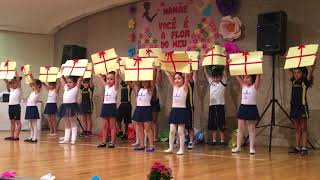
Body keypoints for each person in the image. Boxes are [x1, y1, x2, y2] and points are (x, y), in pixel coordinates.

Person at [288, 66, 314, 156]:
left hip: (302, 107)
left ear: (302, 73)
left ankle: (304, 148)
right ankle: (297, 147)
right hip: (294, 107)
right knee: (297, 128)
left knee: (304, 128)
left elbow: (310, 71)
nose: (296, 74)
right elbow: (289, 68)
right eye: (295, 73)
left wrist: (311, 65)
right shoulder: (293, 81)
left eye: (298, 72)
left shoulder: (305, 82)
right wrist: (289, 58)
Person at [232, 74, 261, 154]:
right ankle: (238, 147)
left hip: (251, 108)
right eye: (244, 77)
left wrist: (258, 68)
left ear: (252, 78)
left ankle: (251, 148)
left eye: (248, 77)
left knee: (251, 129)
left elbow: (259, 75)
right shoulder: (243, 85)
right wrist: (231, 64)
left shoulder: (255, 86)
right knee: (240, 128)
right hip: (243, 108)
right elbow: (236, 75)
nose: (246, 79)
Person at [164, 71, 191, 155]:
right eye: (175, 78)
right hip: (174, 110)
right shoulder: (174, 87)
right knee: (172, 131)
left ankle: (181, 149)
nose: (177, 80)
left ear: (183, 80)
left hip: (182, 111)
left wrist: (187, 71)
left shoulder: (185, 87)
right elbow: (168, 76)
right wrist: (164, 68)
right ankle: (171, 147)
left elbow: (187, 77)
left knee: (180, 131)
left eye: (179, 78)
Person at [204, 66, 228, 146]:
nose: (215, 79)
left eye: (217, 77)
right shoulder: (211, 82)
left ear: (220, 77)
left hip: (220, 106)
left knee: (221, 123)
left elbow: (225, 73)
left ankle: (222, 141)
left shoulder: (223, 82)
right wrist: (205, 64)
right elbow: (206, 73)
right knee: (213, 123)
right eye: (214, 77)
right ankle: (214, 140)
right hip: (212, 106)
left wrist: (225, 64)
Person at [97, 71, 120, 148]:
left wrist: (117, 69)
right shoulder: (106, 86)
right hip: (105, 106)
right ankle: (104, 142)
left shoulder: (115, 87)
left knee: (112, 126)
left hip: (112, 106)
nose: (109, 81)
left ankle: (112, 143)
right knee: (104, 126)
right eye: (108, 79)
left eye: (111, 79)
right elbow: (100, 77)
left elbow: (117, 77)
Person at [132, 80, 156, 152]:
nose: (144, 83)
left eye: (146, 81)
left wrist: (154, 71)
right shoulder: (139, 89)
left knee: (148, 128)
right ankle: (142, 145)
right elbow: (133, 83)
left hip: (146, 109)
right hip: (139, 108)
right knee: (139, 128)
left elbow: (153, 81)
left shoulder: (149, 90)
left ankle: (151, 145)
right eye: (143, 82)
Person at [58, 76, 81, 144]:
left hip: (72, 107)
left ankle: (73, 139)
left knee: (72, 121)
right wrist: (61, 72)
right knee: (66, 123)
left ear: (75, 83)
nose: (68, 84)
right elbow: (61, 79)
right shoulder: (65, 88)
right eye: (67, 82)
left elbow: (79, 79)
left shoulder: (76, 88)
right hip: (65, 106)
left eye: (70, 82)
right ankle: (66, 139)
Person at [3, 71, 22, 141]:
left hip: (16, 106)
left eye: (15, 82)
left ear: (17, 83)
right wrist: (2, 73)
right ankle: (12, 136)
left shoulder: (19, 88)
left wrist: (15, 71)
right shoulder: (11, 89)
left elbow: (17, 79)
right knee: (12, 122)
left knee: (18, 122)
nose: (13, 84)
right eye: (12, 83)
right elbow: (6, 81)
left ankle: (16, 136)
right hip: (10, 106)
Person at [24, 76, 42, 143]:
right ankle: (31, 136)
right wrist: (26, 74)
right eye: (31, 86)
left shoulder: (37, 91)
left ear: (38, 86)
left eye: (33, 85)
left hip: (33, 108)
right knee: (30, 124)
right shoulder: (32, 92)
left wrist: (31, 76)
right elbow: (31, 83)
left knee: (34, 124)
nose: (32, 87)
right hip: (29, 108)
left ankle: (35, 138)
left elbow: (33, 83)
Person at [151, 68, 161, 142]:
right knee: (148, 121)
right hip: (147, 102)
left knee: (154, 120)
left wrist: (157, 70)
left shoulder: (156, 83)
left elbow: (158, 79)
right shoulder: (147, 84)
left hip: (155, 102)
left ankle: (155, 137)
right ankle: (150, 136)